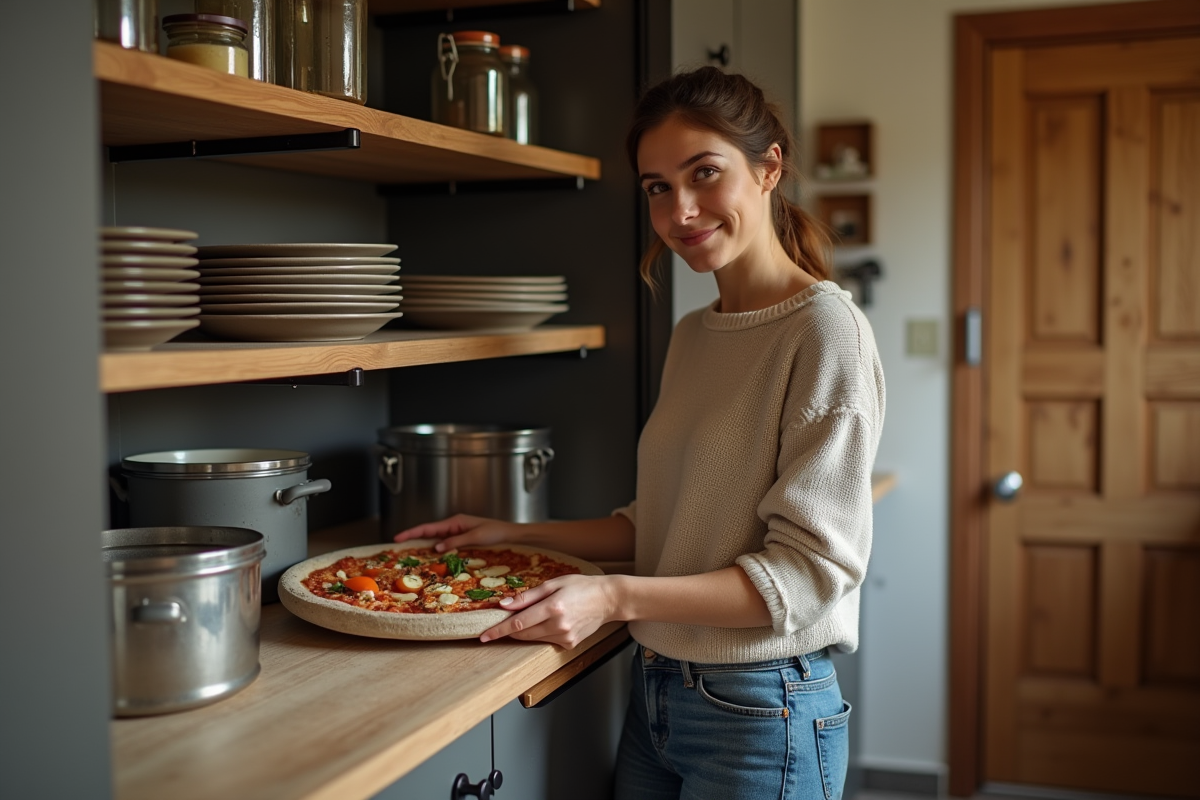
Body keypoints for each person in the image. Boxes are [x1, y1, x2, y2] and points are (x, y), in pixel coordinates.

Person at [394, 66, 885, 800]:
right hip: (658, 696)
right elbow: (663, 528)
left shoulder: (825, 331)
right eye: (657, 187)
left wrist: (615, 600)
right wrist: (516, 535)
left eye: (704, 173)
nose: (681, 210)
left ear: (769, 167)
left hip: (762, 711)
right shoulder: (694, 334)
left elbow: (808, 578)